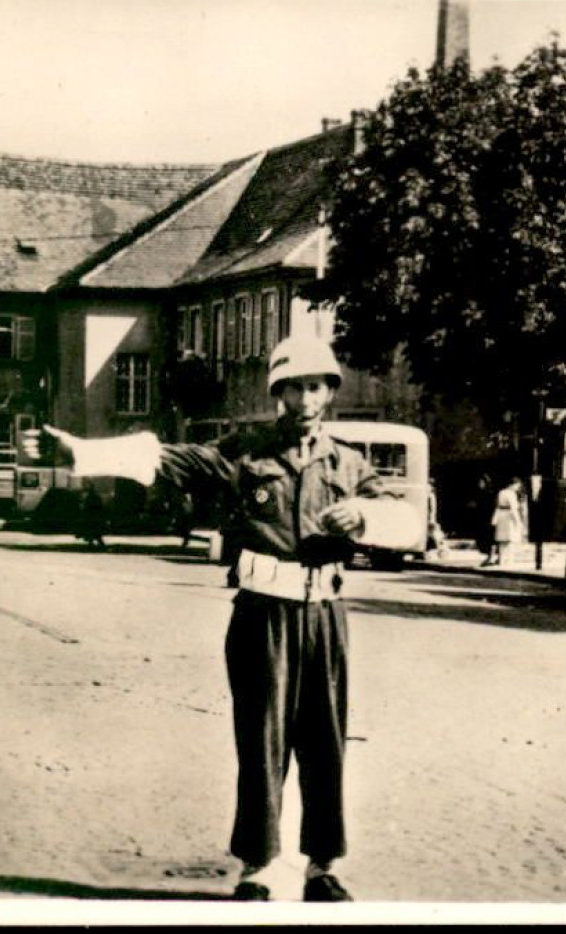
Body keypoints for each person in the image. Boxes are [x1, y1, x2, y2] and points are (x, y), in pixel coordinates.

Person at [23, 335, 419, 904]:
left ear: (329, 393)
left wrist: (365, 514)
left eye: (315, 386)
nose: (305, 398)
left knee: (325, 739)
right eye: (293, 387)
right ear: (278, 392)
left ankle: (322, 865)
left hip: (325, 617)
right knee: (262, 738)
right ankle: (257, 864)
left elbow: (407, 522)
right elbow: (169, 457)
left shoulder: (350, 464)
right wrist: (79, 454)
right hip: (263, 613)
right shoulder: (247, 453)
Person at [485, 475, 525, 566]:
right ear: (513, 485)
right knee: (510, 540)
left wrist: (494, 520)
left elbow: (497, 506)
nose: (517, 488)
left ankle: (501, 560)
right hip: (509, 517)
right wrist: (518, 522)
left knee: (501, 540)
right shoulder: (511, 494)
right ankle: (510, 560)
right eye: (517, 486)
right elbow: (513, 509)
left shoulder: (501, 492)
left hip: (500, 516)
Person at [77, 480, 108, 549]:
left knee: (92, 531)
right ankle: (97, 543)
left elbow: (87, 506)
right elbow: (100, 506)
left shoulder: (89, 497)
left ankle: (93, 543)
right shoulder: (94, 496)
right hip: (94, 516)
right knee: (95, 531)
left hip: (91, 516)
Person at [427, 476, 448, 561]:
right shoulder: (429, 495)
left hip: (429, 519)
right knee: (431, 536)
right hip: (428, 518)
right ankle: (438, 551)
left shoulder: (430, 496)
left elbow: (432, 509)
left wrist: (432, 519)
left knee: (435, 535)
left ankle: (442, 550)